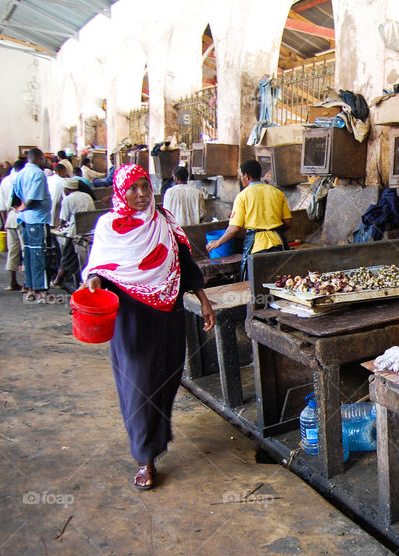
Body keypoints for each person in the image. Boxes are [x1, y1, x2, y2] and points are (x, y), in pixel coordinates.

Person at [82, 164, 214, 489]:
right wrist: (94, 283)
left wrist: (205, 301)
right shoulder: (109, 227)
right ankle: (145, 457)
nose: (141, 195)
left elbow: (186, 264)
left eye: (145, 187)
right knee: (138, 384)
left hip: (168, 315)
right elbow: (98, 268)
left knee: (165, 380)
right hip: (131, 318)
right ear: (121, 192)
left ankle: (154, 439)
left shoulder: (165, 222)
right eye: (133, 189)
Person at [205, 159, 291, 280]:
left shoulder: (242, 196)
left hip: (256, 248)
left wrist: (218, 242)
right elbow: (288, 222)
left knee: (255, 283)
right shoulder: (277, 193)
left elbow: (234, 229)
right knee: (280, 281)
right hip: (279, 243)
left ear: (247, 176)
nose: (241, 178)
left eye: (242, 176)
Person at [12, 148, 53, 301]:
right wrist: (25, 206)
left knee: (28, 253)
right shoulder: (38, 173)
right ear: (40, 158)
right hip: (37, 219)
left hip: (25, 220)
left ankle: (29, 286)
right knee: (39, 254)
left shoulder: (19, 174)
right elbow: (34, 198)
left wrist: (20, 209)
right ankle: (41, 290)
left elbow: (14, 199)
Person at [52, 178, 94, 287]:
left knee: (67, 256)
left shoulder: (68, 199)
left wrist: (59, 227)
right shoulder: (86, 196)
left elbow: (63, 219)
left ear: (66, 189)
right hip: (90, 230)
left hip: (76, 232)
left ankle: (58, 281)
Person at [0, 159, 26, 290]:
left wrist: (5, 223)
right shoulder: (25, 179)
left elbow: (1, 206)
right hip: (24, 217)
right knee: (26, 250)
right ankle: (27, 284)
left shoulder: (5, 181)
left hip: (10, 218)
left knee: (13, 251)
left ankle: (12, 282)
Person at [48, 159, 72, 226]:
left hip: (48, 207)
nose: (65, 174)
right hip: (58, 208)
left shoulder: (48, 179)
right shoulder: (64, 181)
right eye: (64, 172)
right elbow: (66, 198)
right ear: (58, 172)